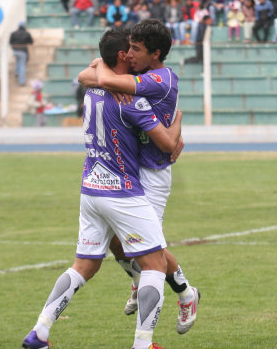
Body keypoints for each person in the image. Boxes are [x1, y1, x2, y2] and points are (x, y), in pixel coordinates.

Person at [21, 27, 182, 349]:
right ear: (122, 55)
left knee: (83, 265)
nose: (135, 55)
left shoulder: (91, 89)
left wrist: (98, 65)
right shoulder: (131, 102)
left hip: (90, 187)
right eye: (131, 50)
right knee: (154, 265)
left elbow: (91, 73)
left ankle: (39, 332)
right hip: (122, 191)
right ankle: (143, 343)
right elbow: (167, 146)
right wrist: (178, 120)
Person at [77, 20, 200, 334]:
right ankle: (137, 279)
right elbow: (83, 76)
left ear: (155, 54)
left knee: (152, 252)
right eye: (128, 48)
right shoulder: (138, 74)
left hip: (153, 174)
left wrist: (106, 74)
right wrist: (108, 76)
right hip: (126, 171)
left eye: (136, 49)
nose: (129, 54)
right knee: (117, 243)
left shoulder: (158, 78)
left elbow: (170, 143)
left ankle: (186, 293)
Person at [9, 21, 33, 86]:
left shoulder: (13, 33)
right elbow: (31, 42)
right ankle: (21, 81)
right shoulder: (26, 33)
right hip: (23, 51)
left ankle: (17, 72)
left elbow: (10, 42)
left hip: (15, 51)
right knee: (22, 65)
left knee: (17, 61)